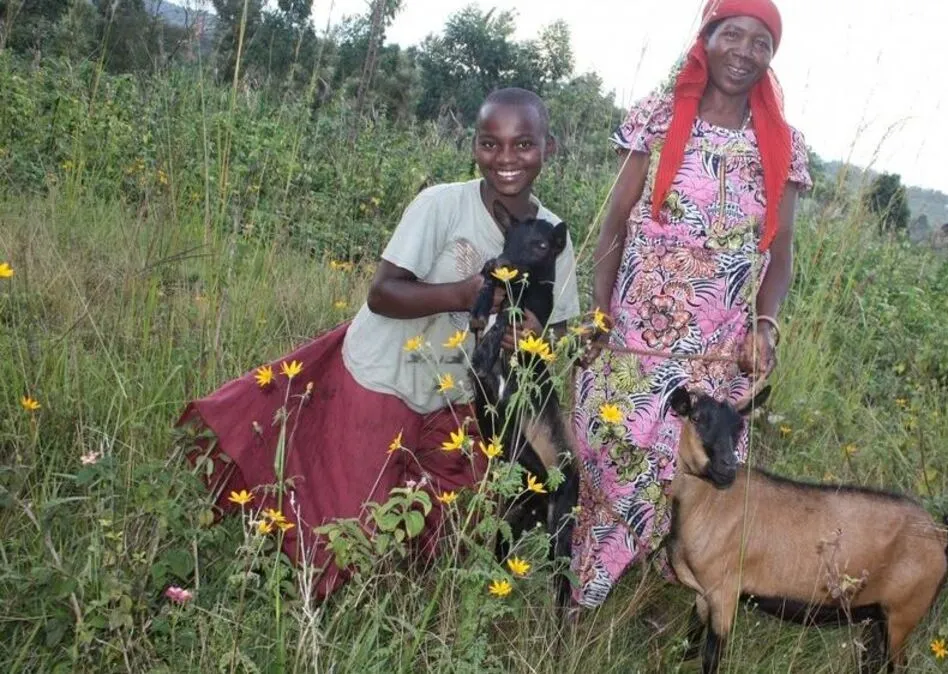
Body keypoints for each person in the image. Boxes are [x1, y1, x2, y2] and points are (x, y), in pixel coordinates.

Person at [177, 87, 582, 599]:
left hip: (457, 398)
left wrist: (532, 332)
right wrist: (462, 293)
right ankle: (280, 582)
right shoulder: (440, 205)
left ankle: (413, 595)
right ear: (474, 146)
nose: (505, 158)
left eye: (523, 144)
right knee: (346, 533)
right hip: (383, 374)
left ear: (549, 148)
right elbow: (382, 293)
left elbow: (558, 325)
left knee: (465, 519)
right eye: (490, 143)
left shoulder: (553, 237)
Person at [568, 0, 813, 609]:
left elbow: (779, 259)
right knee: (613, 472)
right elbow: (612, 228)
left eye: (762, 42)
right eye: (733, 34)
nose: (745, 51)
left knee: (697, 481)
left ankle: (664, 595)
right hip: (635, 343)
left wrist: (767, 328)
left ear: (771, 57)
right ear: (707, 37)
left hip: (718, 356)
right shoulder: (656, 117)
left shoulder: (783, 145)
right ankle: (579, 601)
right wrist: (599, 315)